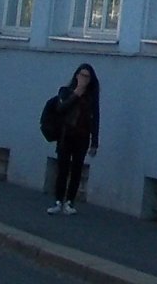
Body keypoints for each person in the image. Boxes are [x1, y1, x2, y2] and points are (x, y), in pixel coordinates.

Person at [47, 63, 99, 213]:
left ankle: (70, 202)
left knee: (76, 170)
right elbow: (61, 109)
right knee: (62, 169)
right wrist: (76, 93)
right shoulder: (65, 91)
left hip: (82, 137)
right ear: (76, 76)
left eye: (87, 77)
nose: (84, 79)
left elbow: (95, 119)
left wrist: (94, 142)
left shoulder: (91, 97)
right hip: (66, 135)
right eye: (82, 75)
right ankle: (58, 201)